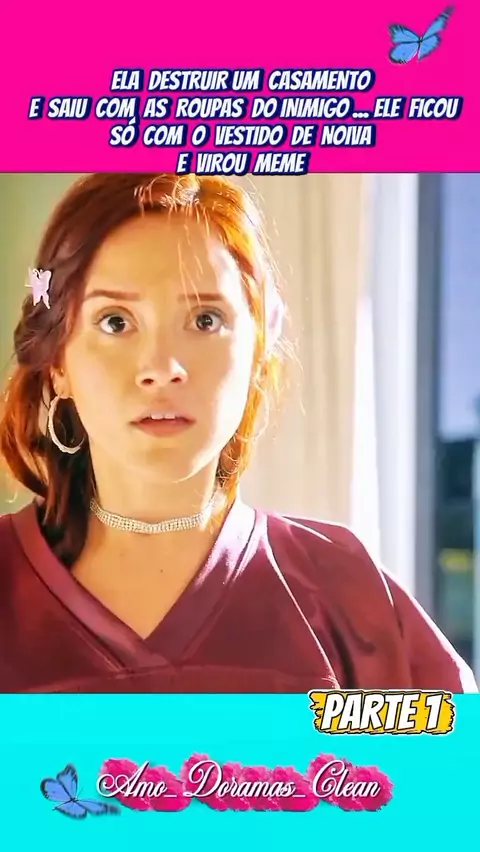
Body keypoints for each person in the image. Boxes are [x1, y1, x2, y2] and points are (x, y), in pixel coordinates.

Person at [0, 172, 476, 694]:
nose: (163, 367)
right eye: (115, 322)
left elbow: (442, 746)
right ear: (58, 365)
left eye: (205, 320)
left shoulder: (346, 592)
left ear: (257, 353)